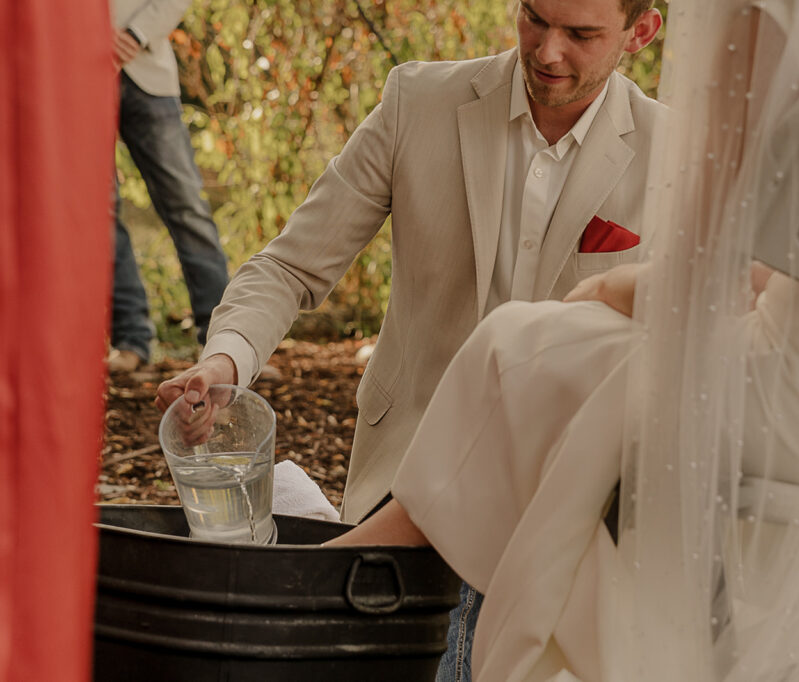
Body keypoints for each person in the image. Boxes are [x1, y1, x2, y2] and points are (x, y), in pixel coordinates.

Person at [323, 0, 799, 680]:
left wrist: (618, 288)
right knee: (569, 362)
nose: (547, 47)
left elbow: (705, 270)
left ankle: (340, 578)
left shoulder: (755, 13)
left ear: (640, 32)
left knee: (519, 344)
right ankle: (369, 567)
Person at [155, 0, 663, 678]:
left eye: (580, 35)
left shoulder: (676, 152)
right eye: (536, 19)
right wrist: (224, 363)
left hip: (567, 516)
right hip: (408, 487)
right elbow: (290, 264)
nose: (547, 52)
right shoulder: (417, 102)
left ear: (641, 31)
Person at [109, 0, 229, 373]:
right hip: (74, 76)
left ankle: (225, 342)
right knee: (101, 213)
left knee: (187, 206)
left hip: (146, 70)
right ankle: (131, 340)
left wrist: (136, 34)